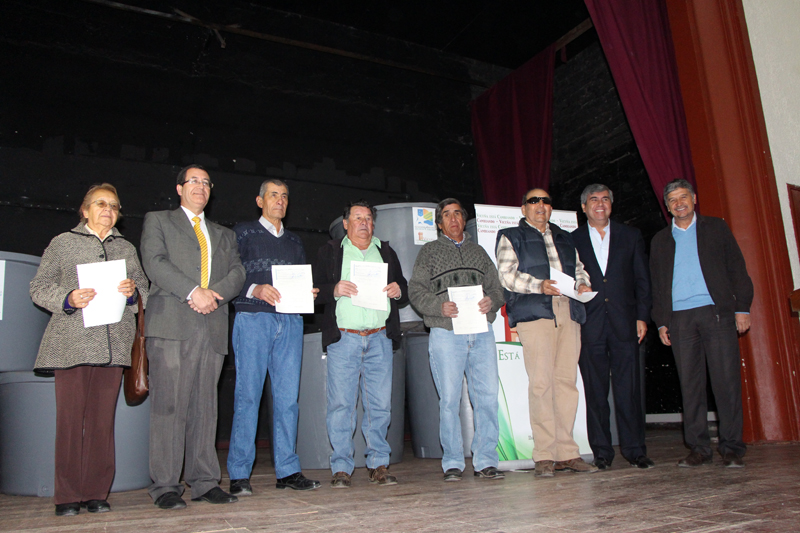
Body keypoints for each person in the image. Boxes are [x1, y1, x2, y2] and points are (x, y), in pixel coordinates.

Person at [30, 183, 148, 516]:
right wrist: (67, 298)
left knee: (101, 423)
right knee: (70, 424)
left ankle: (96, 492)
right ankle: (67, 495)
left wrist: (132, 292)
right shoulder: (62, 243)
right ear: (85, 210)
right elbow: (38, 286)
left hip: (113, 347)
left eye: (113, 205)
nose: (108, 209)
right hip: (71, 345)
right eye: (100, 204)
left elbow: (145, 291)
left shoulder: (126, 248)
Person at [140, 164, 245, 509]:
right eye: (193, 181)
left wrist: (212, 295)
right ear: (179, 188)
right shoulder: (158, 221)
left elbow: (238, 272)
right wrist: (192, 291)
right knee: (169, 407)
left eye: (206, 183)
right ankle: (165, 486)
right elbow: (154, 262)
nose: (201, 187)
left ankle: (204, 481)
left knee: (206, 408)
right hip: (171, 324)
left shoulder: (224, 234)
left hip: (212, 326)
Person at [650, 179, 753, 468]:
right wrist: (661, 322)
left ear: (694, 198)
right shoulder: (660, 240)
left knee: (726, 382)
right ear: (667, 206)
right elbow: (658, 286)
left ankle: (732, 448)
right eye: (672, 200)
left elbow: (737, 268)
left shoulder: (716, 228)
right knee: (690, 385)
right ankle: (698, 448)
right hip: (680, 320)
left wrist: (742, 308)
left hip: (716, 313)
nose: (679, 203)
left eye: (683, 197)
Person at [496, 188, 598, 478]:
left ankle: (567, 452)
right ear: (523, 208)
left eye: (545, 201)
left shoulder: (565, 237)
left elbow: (579, 269)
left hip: (569, 310)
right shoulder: (510, 236)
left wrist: (582, 284)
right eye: (533, 201)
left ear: (551, 208)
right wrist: (539, 285)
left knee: (566, 383)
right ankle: (544, 455)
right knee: (541, 384)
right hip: (536, 313)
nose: (540, 205)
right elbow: (506, 275)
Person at [227, 179, 320, 496]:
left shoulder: (295, 241)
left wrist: (307, 293)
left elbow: (297, 281)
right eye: (273, 195)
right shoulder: (242, 233)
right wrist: (254, 289)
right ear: (260, 200)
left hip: (290, 321)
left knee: (287, 400)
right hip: (254, 319)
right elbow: (227, 276)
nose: (279, 200)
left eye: (284, 196)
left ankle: (288, 470)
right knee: (248, 396)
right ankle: (239, 473)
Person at [408, 198, 505, 482]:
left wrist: (491, 301)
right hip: (446, 333)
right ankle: (452, 461)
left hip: (481, 332)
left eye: (458, 214)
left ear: (464, 219)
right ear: (439, 224)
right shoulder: (428, 252)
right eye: (447, 215)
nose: (453, 219)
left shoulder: (479, 252)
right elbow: (415, 291)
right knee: (449, 400)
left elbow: (497, 289)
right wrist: (439, 307)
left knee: (487, 398)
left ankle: (485, 461)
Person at [313, 200, 408, 488]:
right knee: (341, 406)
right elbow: (313, 291)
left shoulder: (386, 251)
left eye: (368, 218)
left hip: (380, 338)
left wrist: (397, 290)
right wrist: (334, 289)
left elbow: (403, 290)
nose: (364, 223)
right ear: (346, 224)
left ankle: (378, 464)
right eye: (357, 218)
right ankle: (342, 467)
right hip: (344, 339)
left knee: (380, 406)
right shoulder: (330, 251)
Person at [572, 184, 653, 470]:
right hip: (589, 325)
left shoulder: (630, 235)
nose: (600, 204)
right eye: (593, 200)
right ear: (584, 207)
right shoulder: (571, 239)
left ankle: (635, 451)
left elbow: (642, 279)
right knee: (595, 393)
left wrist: (642, 316)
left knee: (629, 391)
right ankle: (602, 453)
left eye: (605, 199)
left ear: (611, 204)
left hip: (625, 324)